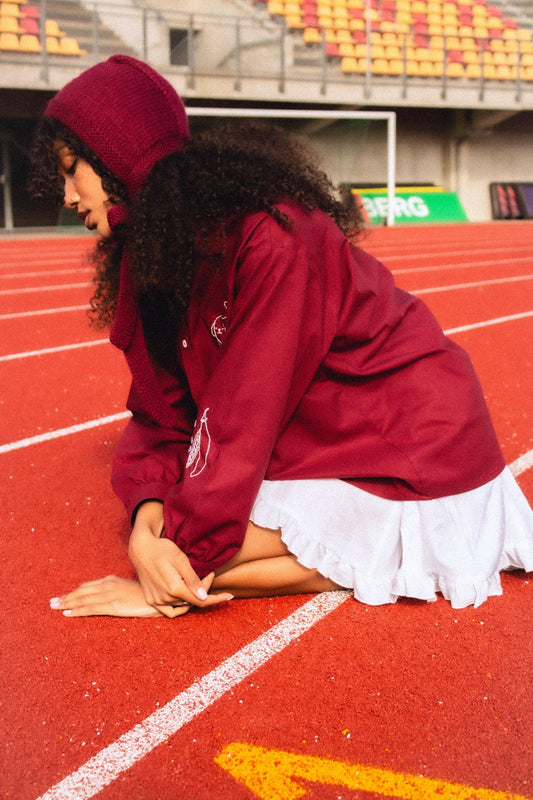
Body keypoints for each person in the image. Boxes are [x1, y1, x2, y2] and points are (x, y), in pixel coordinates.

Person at [30, 55, 533, 619]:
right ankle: (340, 556)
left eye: (73, 170)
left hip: (412, 436)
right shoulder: (158, 250)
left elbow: (242, 412)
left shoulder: (272, 236)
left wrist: (174, 564)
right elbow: (162, 413)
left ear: (118, 155)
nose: (67, 196)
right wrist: (146, 525)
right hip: (326, 432)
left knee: (209, 547)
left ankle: (363, 548)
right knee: (190, 531)